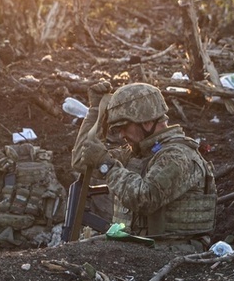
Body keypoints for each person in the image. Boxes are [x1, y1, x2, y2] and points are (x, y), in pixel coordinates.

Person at [71, 82, 216, 250]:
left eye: (124, 127)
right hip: (138, 251)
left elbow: (144, 198)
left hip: (173, 254)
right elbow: (82, 162)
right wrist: (96, 112)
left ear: (147, 123)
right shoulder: (136, 153)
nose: (121, 134)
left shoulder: (179, 156)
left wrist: (107, 165)